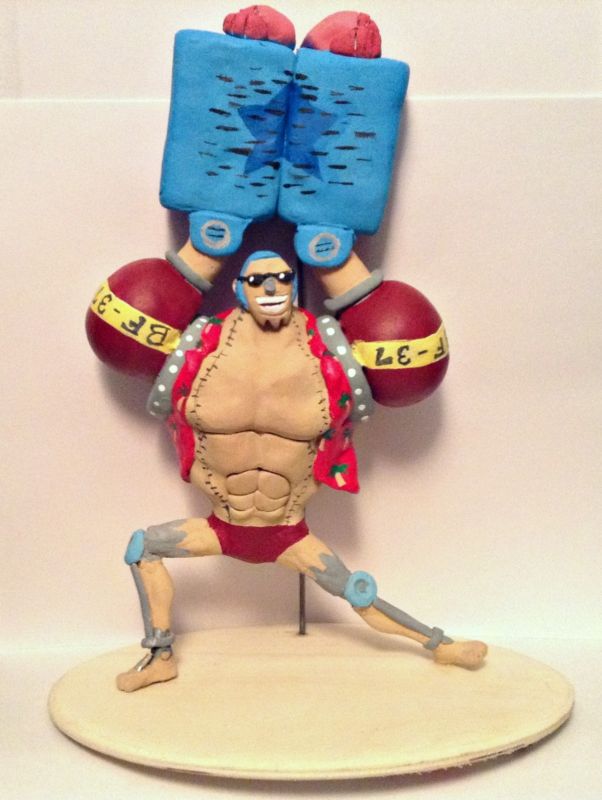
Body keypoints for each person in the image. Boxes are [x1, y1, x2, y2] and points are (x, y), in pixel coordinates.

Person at [116, 251, 487, 692]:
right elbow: (136, 338)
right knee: (143, 547)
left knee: (357, 593)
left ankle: (441, 645)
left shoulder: (327, 347)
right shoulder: (201, 345)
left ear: (293, 284)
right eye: (258, 280)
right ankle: (160, 656)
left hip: (288, 532)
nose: (271, 287)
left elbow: (398, 355)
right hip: (221, 526)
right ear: (239, 288)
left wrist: (344, 272)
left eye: (281, 277)